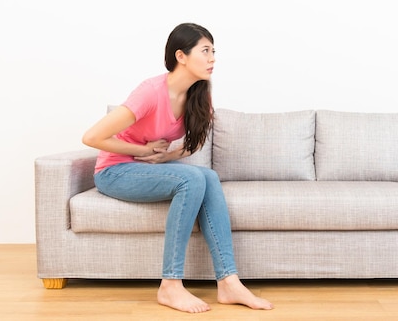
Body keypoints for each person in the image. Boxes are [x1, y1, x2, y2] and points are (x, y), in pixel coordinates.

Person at [82, 23, 273, 313]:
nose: (213, 58)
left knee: (207, 175)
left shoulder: (199, 92)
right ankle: (170, 285)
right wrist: (143, 150)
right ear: (181, 56)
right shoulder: (150, 92)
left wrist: (166, 157)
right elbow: (92, 137)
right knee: (193, 179)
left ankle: (228, 282)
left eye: (214, 51)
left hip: (147, 171)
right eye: (205, 51)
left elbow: (194, 143)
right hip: (115, 172)